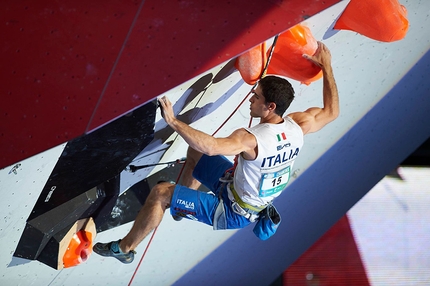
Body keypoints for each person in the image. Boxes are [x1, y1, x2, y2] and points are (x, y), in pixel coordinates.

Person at [93, 41, 339, 263]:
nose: (250, 100)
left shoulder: (251, 139)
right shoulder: (298, 126)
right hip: (235, 187)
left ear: (270, 107)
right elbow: (331, 112)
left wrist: (173, 121)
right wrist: (326, 65)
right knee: (195, 153)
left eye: (256, 97)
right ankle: (184, 200)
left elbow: (210, 145)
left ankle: (125, 249)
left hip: (232, 211)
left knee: (160, 193)